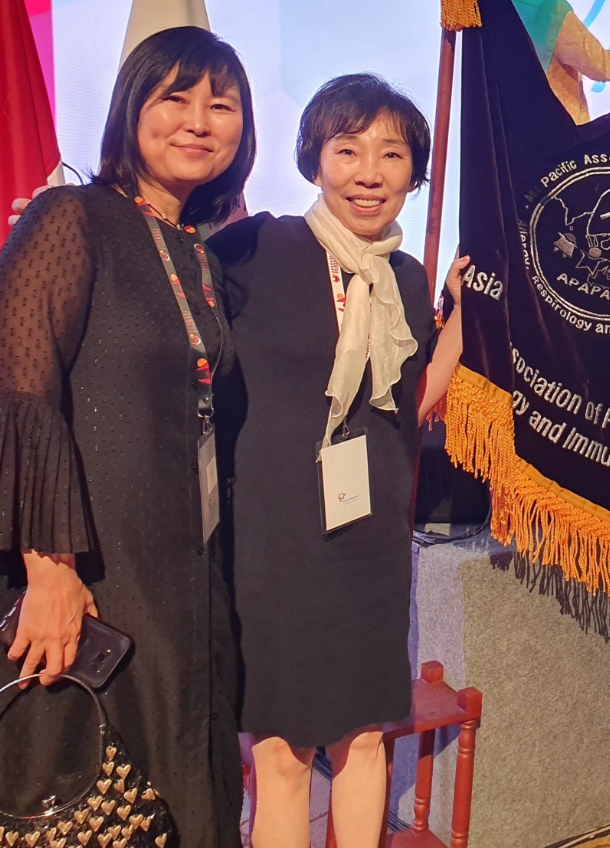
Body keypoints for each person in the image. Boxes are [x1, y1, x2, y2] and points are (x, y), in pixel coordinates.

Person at [0, 26, 256, 847]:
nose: (199, 121)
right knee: (91, 811)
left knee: (190, 801)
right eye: (175, 98)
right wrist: (47, 571)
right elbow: (19, 399)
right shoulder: (68, 217)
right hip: (86, 578)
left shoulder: (199, 254)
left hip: (182, 579)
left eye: (221, 105)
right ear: (131, 111)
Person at [210, 74, 466, 848]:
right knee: (282, 757)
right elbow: (163, 299)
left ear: (414, 174)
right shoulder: (254, 249)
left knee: (364, 741)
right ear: (314, 159)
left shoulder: (405, 278)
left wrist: (464, 316)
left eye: (392, 154)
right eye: (348, 149)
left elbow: (409, 399)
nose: (369, 172)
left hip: (370, 547)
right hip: (275, 548)